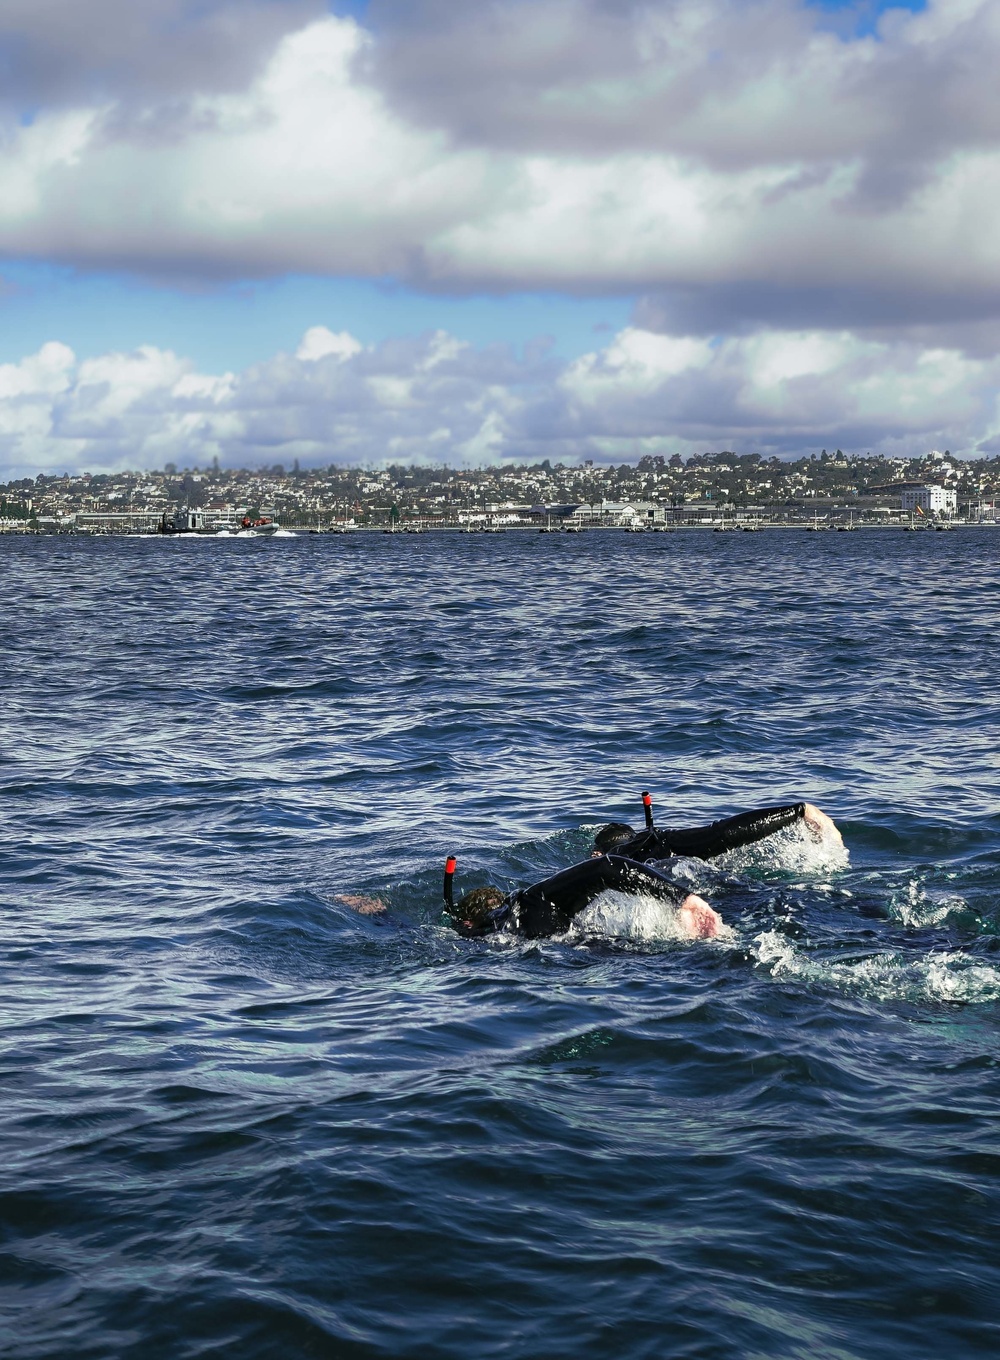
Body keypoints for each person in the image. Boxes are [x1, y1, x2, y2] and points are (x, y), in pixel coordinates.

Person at [446, 853, 722, 941]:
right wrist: (683, 898)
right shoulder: (532, 901)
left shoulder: (478, 936)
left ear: (468, 922)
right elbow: (605, 866)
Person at [592, 799, 841, 862]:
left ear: (596, 853)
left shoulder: (611, 861)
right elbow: (720, 834)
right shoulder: (663, 840)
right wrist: (798, 812)